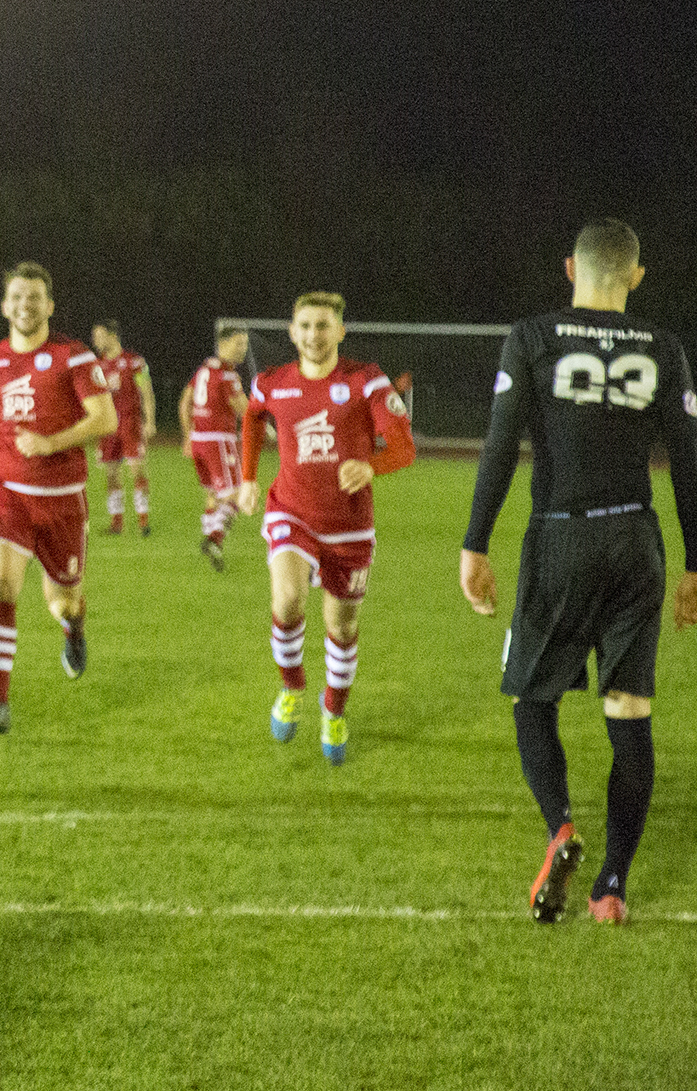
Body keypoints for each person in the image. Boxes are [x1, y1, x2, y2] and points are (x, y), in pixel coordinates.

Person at [460, 218, 697, 925]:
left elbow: (502, 443)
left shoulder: (532, 337)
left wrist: (475, 543)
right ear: (636, 276)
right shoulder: (663, 346)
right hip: (635, 540)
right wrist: (696, 563)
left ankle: (561, 826)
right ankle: (613, 886)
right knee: (629, 713)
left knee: (532, 697)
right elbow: (688, 461)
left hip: (559, 539)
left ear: (570, 269)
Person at [236, 292, 414, 765]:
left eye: (323, 326)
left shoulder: (364, 380)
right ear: (292, 333)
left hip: (350, 527)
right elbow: (252, 422)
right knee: (288, 598)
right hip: (290, 511)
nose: (314, 335)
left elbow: (403, 446)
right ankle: (292, 686)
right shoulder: (272, 382)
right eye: (306, 326)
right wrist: (249, 479)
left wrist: (371, 466)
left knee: (342, 625)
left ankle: (333, 710)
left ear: (340, 332)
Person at [0, 262, 116, 734]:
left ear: (49, 305)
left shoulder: (73, 357)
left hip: (62, 499)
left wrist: (51, 442)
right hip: (7, 492)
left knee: (62, 599)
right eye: (17, 297)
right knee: (1, 587)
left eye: (35, 297)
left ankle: (73, 628)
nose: (26, 305)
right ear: (5, 306)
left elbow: (105, 419)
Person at [179, 324, 251, 570]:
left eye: (244, 344)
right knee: (236, 493)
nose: (243, 349)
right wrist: (267, 422)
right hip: (219, 440)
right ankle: (215, 538)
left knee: (212, 494)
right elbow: (243, 409)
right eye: (238, 344)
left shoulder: (203, 370)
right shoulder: (229, 375)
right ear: (223, 344)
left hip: (199, 439)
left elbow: (185, 401)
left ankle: (211, 541)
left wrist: (188, 435)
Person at [90, 320, 155, 535]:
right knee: (111, 474)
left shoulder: (135, 362)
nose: (96, 340)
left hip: (130, 422)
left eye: (100, 335)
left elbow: (146, 392)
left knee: (136, 469)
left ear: (113, 336)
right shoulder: (96, 366)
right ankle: (116, 523)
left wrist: (150, 421)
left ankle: (143, 521)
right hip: (107, 426)